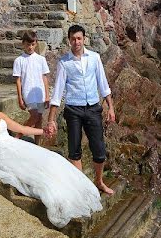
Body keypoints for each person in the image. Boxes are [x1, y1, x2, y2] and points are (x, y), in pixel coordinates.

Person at [0, 91, 102, 228]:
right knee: (35, 175)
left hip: (16, 145)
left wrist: (43, 131)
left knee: (52, 159)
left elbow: (21, 129)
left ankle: (75, 193)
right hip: (1, 155)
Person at [44, 25, 115, 195]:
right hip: (73, 109)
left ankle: (98, 182)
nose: (76, 42)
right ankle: (82, 188)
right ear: (69, 40)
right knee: (74, 150)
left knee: (99, 150)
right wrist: (51, 119)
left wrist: (111, 107)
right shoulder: (64, 62)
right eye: (73, 39)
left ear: (84, 39)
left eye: (79, 38)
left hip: (93, 108)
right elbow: (58, 92)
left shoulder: (95, 58)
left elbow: (103, 85)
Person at [12, 30, 50, 142]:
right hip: (28, 93)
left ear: (36, 44)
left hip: (40, 93)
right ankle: (18, 136)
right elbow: (18, 80)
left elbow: (44, 78)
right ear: (23, 44)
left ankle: (37, 143)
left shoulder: (41, 59)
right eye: (28, 44)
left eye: (33, 44)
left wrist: (47, 96)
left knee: (39, 120)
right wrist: (20, 98)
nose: (30, 47)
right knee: (34, 116)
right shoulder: (19, 60)